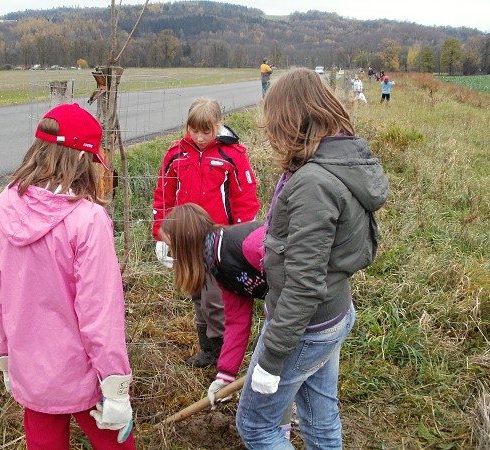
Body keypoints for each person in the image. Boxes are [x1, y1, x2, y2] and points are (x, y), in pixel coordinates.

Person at [235, 68, 389, 448]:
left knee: (256, 426)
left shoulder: (313, 183)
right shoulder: (336, 164)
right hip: (333, 313)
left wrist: (271, 360)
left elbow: (303, 285)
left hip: (305, 327)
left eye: (274, 123)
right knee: (320, 416)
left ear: (291, 120)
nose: (270, 133)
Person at [0, 103, 136, 450]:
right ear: (83, 160)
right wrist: (115, 387)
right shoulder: (88, 221)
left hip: (30, 369)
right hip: (84, 374)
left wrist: (6, 357)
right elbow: (100, 313)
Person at [159, 203, 298, 438]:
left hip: (305, 314)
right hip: (294, 316)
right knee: (316, 403)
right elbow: (236, 321)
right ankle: (284, 429)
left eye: (172, 247)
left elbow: (297, 277)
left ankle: (278, 432)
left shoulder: (244, 243)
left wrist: (278, 329)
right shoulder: (218, 264)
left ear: (186, 241)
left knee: (258, 418)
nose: (172, 255)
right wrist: (225, 374)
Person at [152, 97, 260, 369]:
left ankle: (227, 353)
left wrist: (240, 239)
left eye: (206, 131)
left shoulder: (232, 156)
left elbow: (245, 199)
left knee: (216, 299)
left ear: (218, 126)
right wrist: (161, 234)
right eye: (194, 130)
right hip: (186, 240)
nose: (199, 137)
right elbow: (163, 196)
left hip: (220, 241)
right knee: (197, 294)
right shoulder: (175, 154)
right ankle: (209, 350)